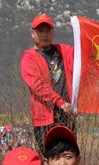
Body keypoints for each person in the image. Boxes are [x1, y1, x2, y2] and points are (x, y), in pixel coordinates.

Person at [21, 14, 76, 149]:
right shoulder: (29, 58)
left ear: (53, 33)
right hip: (45, 119)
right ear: (33, 34)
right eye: (40, 31)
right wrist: (60, 102)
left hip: (67, 115)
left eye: (48, 31)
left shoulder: (65, 51)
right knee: (49, 158)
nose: (44, 34)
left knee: (70, 156)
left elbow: (83, 57)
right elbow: (37, 86)